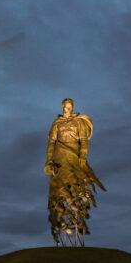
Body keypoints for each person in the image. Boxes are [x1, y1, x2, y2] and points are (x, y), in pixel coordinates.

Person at [43, 98, 106, 246]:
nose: (68, 108)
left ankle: (79, 214)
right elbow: (51, 142)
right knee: (58, 191)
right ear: (62, 106)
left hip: (74, 157)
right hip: (59, 159)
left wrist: (83, 157)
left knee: (77, 187)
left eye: (70, 106)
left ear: (72, 107)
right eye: (66, 106)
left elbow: (84, 140)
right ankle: (62, 224)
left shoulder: (78, 122)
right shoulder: (56, 123)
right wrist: (48, 160)